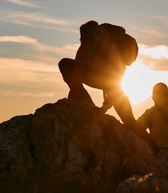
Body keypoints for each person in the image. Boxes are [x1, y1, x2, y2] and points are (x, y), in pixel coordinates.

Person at [59, 20, 158, 152]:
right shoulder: (83, 51)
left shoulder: (111, 48)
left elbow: (116, 80)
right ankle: (88, 106)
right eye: (83, 42)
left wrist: (106, 105)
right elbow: (76, 79)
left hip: (113, 83)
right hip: (99, 77)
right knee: (65, 64)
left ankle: (155, 151)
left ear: (96, 37)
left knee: (128, 121)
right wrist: (71, 104)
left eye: (88, 42)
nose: (85, 46)